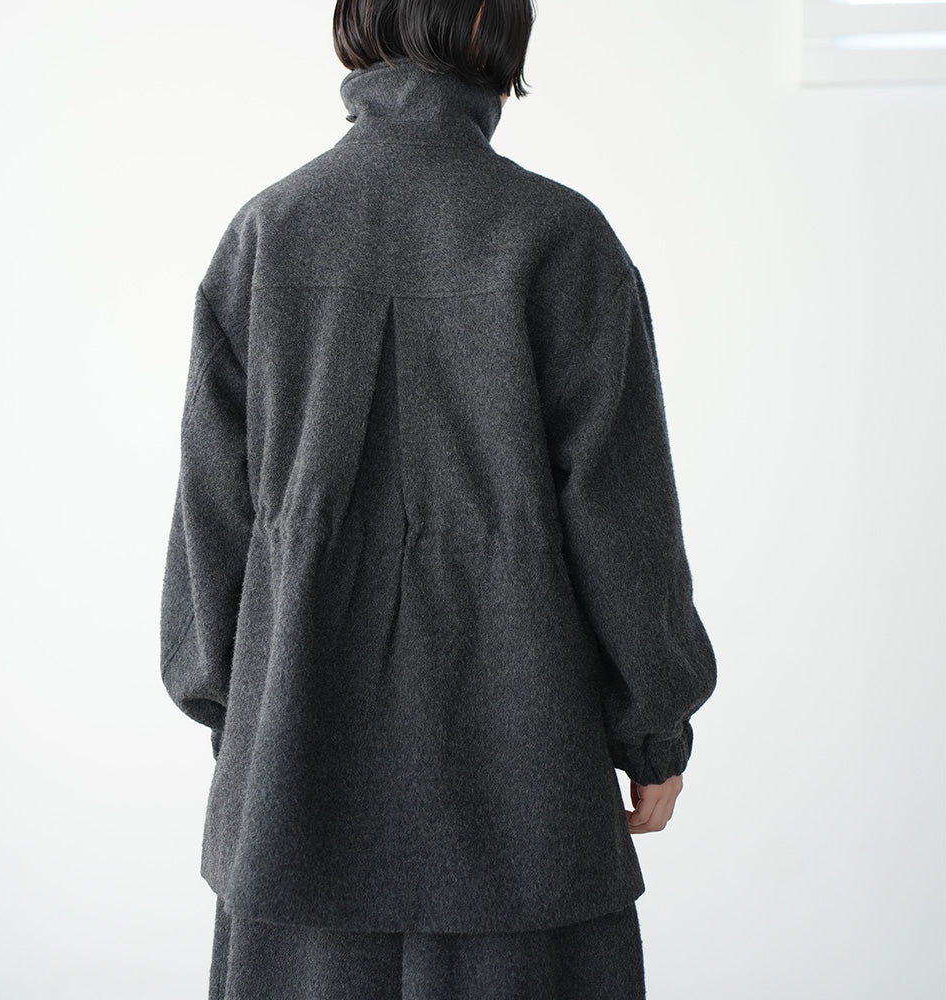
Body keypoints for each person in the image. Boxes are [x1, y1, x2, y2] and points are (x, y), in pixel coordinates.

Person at [158, 1, 717, 996]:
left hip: (293, 803)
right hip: (525, 804)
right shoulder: (561, 238)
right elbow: (625, 525)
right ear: (501, 37)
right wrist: (653, 732)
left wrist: (248, 727)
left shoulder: (267, 235)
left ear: (355, 26)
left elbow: (213, 527)